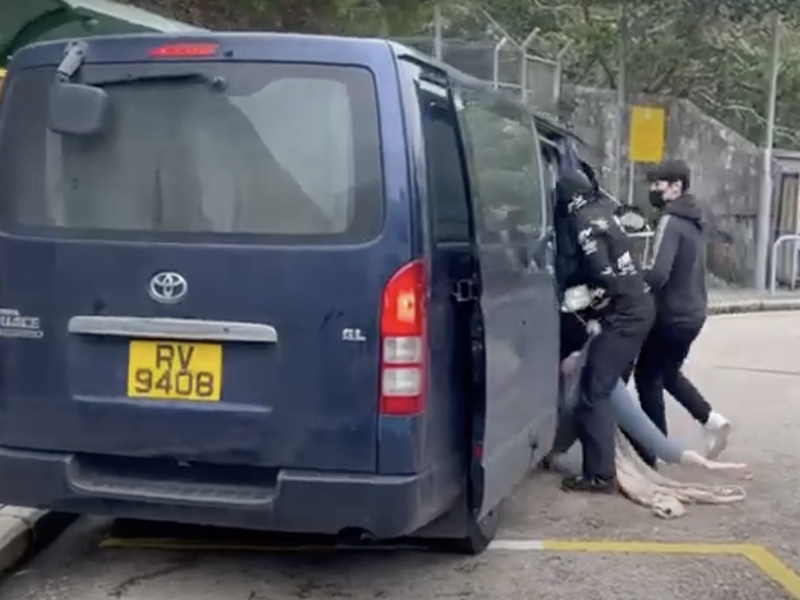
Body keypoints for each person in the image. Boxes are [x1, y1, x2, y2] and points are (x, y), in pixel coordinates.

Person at [553, 169, 654, 493]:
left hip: (625, 316)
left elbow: (603, 273)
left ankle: (599, 475)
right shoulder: (604, 213)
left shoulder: (583, 223)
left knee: (593, 391)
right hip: (635, 309)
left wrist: (584, 303)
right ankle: (631, 457)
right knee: (601, 386)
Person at [634, 159, 731, 465]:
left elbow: (659, 274)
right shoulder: (694, 219)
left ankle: (653, 450)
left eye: (658, 184)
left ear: (676, 186)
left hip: (671, 316)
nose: (653, 190)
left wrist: (632, 275)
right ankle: (712, 420)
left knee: (646, 376)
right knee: (667, 373)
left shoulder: (671, 219)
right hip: (693, 314)